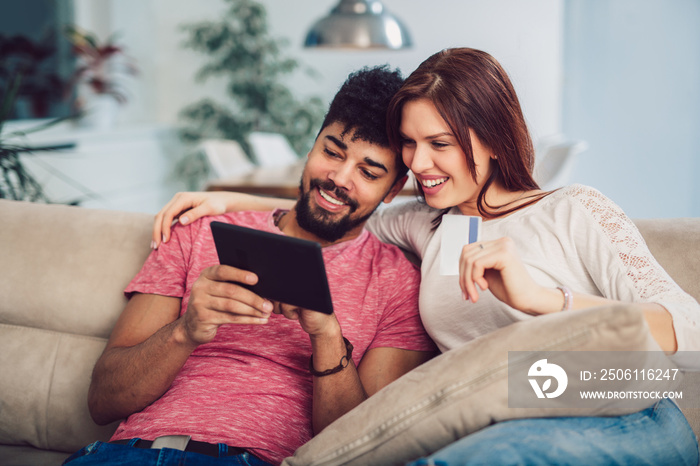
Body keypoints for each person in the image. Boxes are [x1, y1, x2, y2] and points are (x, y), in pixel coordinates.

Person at [152, 48, 700, 465]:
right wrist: (228, 200)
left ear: (489, 138)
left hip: (620, 406)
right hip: (485, 418)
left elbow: (691, 332)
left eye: (439, 144)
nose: (418, 163)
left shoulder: (575, 210)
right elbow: (342, 203)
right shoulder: (431, 224)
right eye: (411, 144)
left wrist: (544, 300)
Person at [63, 66, 437, 466]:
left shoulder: (397, 280)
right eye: (332, 151)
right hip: (124, 454)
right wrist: (185, 331)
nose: (339, 178)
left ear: (393, 190)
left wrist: (327, 337)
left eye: (368, 172)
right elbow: (102, 401)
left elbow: (364, 449)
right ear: (311, 146)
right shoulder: (199, 230)